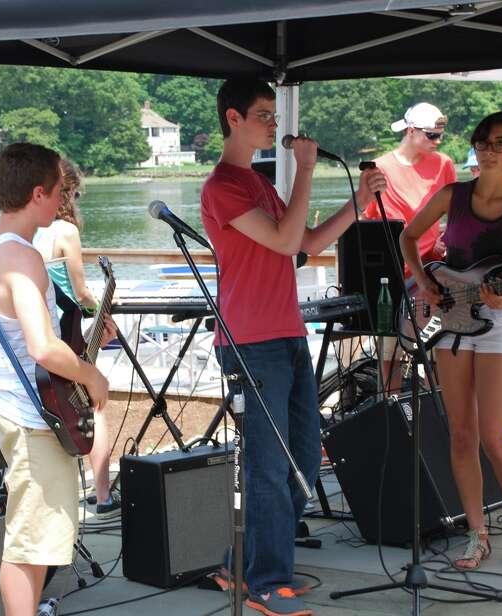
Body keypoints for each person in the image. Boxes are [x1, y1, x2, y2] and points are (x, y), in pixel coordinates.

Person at [201, 78, 386, 616]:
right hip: (250, 341)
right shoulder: (223, 186)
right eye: (263, 116)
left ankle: (237, 567)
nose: (273, 125)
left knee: (304, 458)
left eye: (273, 117)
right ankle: (265, 582)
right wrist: (305, 169)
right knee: (267, 465)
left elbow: (302, 243)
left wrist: (358, 203)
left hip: (285, 334)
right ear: (233, 118)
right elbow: (284, 240)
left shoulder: (257, 184)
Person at [400, 112, 502, 573]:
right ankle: (475, 534)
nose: (488, 151)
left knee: (494, 436)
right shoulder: (452, 195)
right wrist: (424, 282)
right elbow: (408, 237)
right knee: (461, 434)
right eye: (482, 143)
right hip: (450, 320)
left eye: (499, 144)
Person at [0, 142, 113, 616]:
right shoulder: (21, 257)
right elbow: (41, 347)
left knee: (35, 541)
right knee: (28, 546)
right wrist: (90, 375)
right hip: (31, 417)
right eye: (58, 192)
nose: (63, 202)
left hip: (23, 410)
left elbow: (31, 337)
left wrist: (87, 337)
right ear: (36, 194)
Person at [32, 159, 119, 518]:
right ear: (69, 192)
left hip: (47, 328)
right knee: (93, 406)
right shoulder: (65, 231)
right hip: (69, 332)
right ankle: (102, 494)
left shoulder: (33, 231)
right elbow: (80, 291)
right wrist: (102, 309)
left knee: (62, 409)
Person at [365, 102, 457, 393]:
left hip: (430, 273)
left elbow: (455, 214)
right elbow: (367, 223)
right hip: (391, 274)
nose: (438, 141)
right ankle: (389, 415)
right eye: (431, 135)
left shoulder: (444, 164)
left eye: (440, 135)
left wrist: (447, 240)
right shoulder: (380, 168)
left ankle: (440, 419)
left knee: (436, 356)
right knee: (390, 355)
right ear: (411, 131)